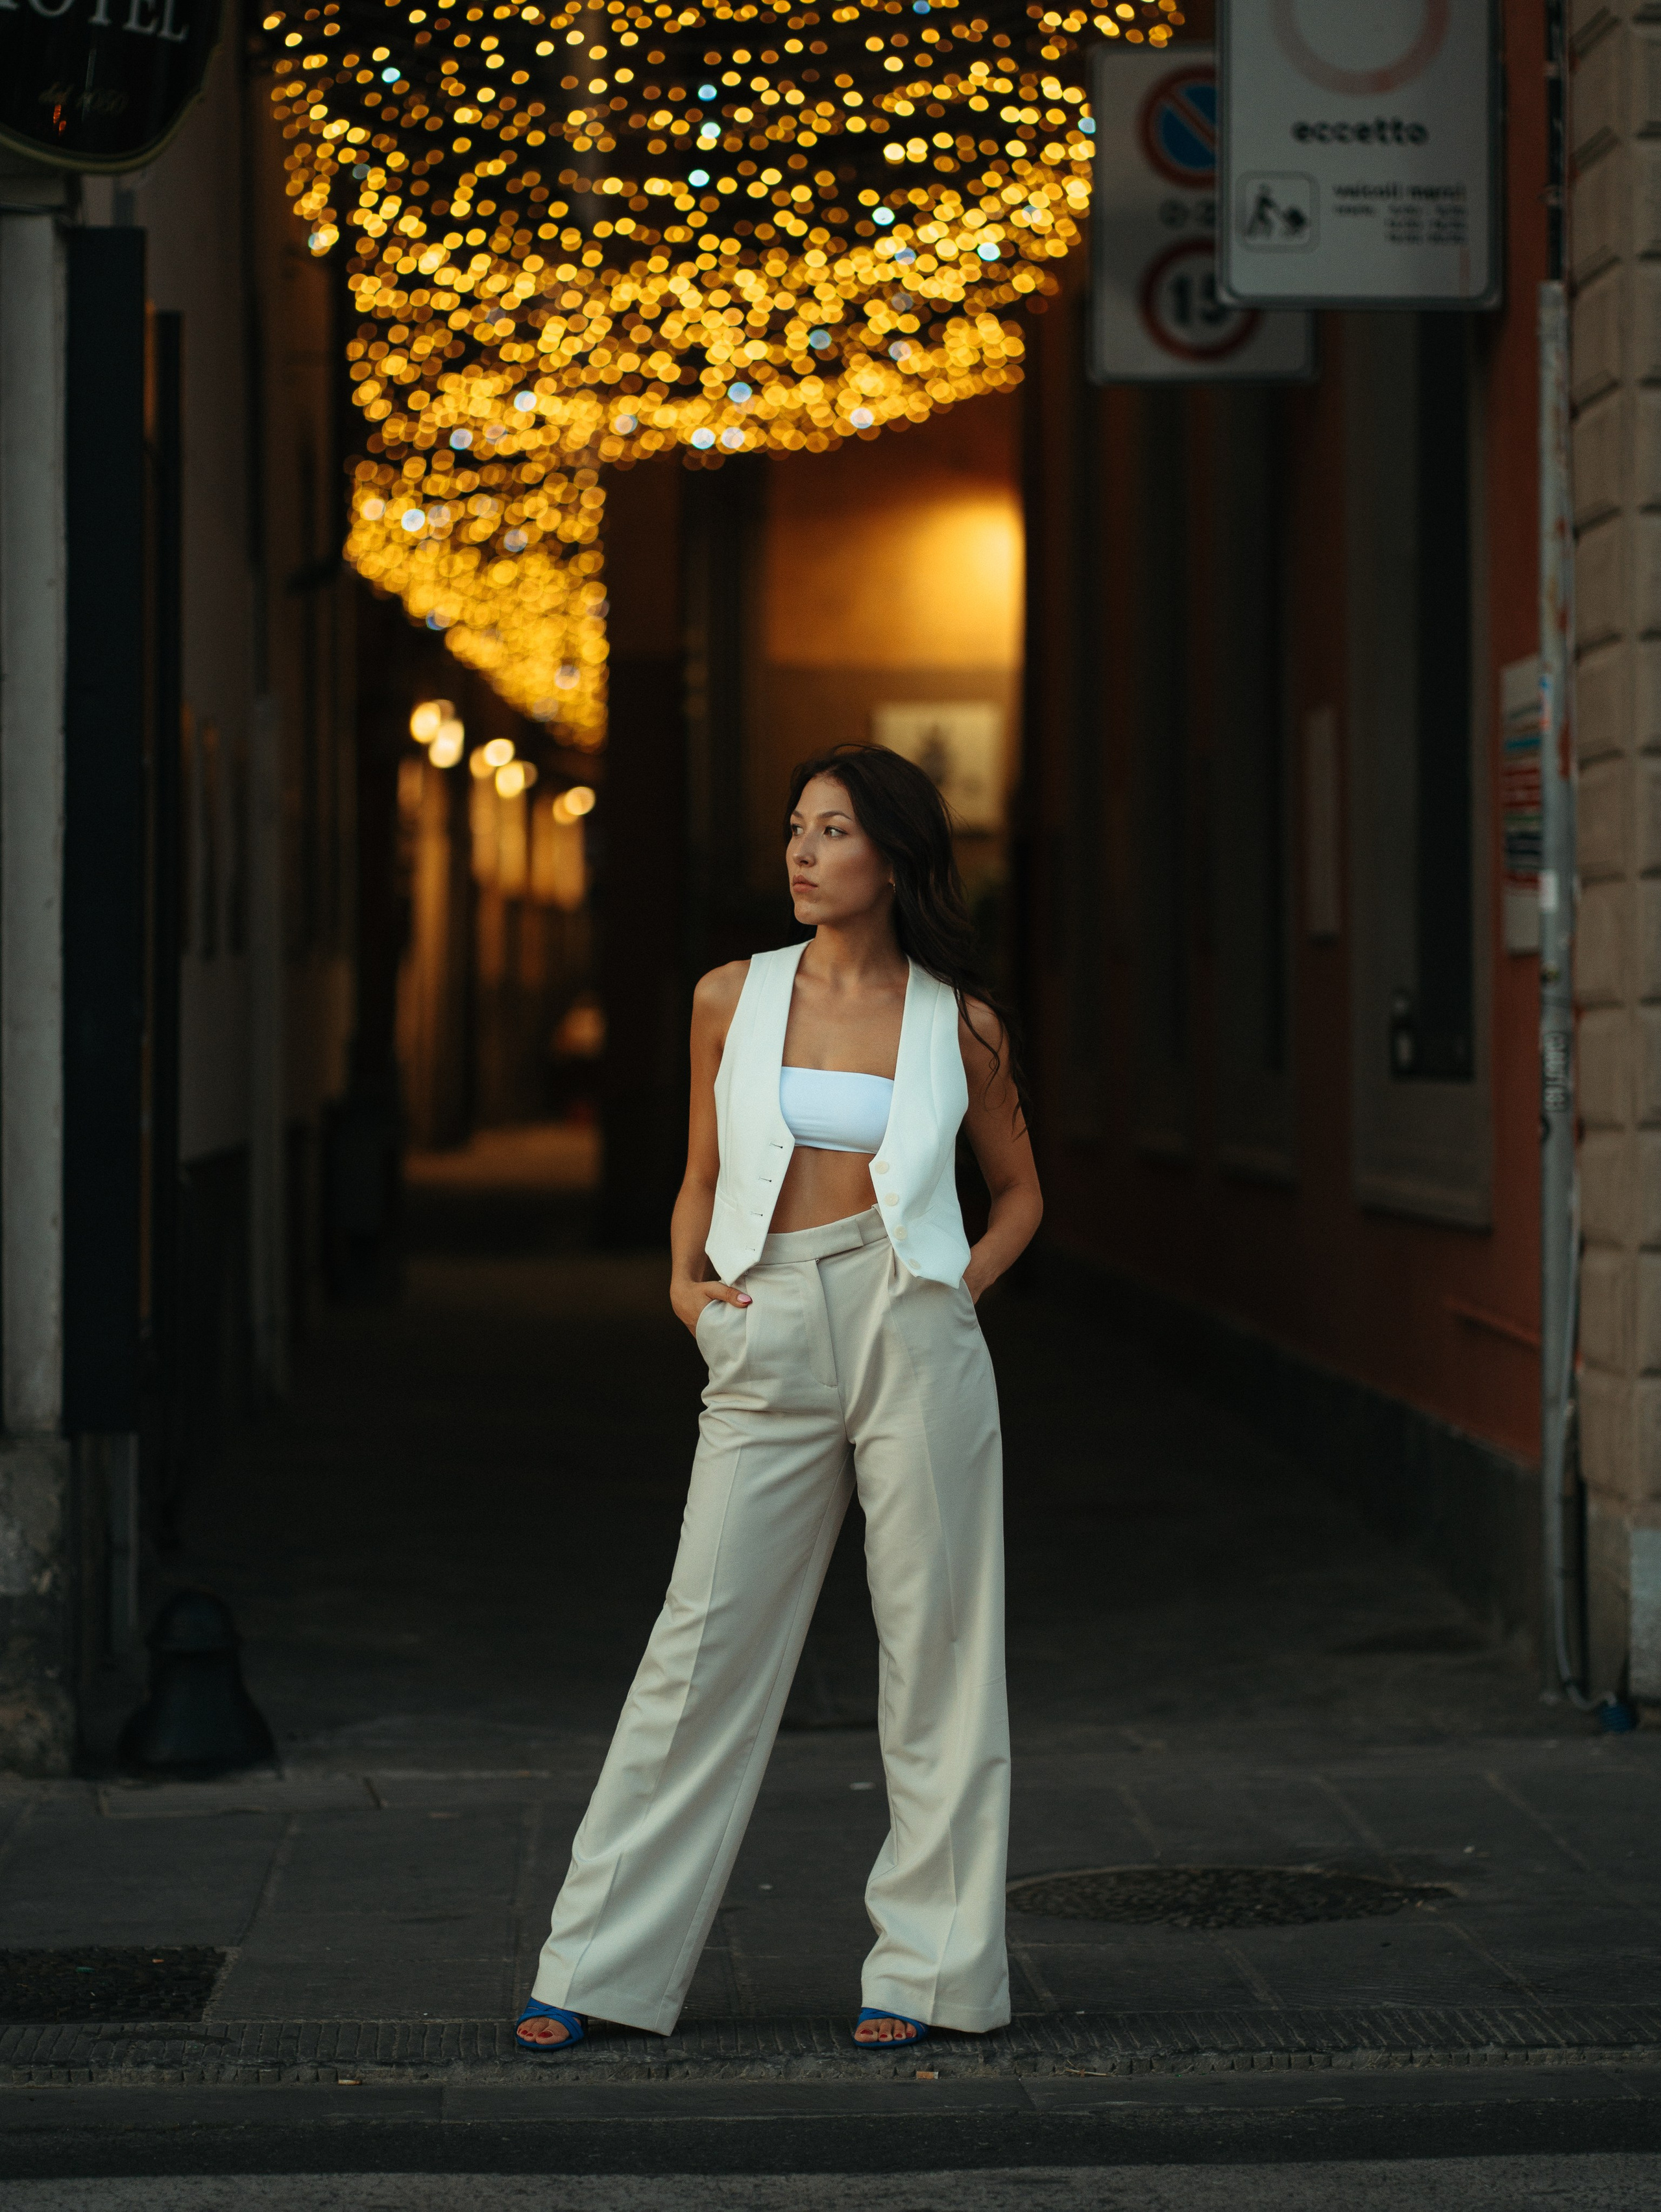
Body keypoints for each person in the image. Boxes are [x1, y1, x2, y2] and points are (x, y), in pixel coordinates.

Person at [515, 742, 1043, 2054]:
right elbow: (700, 1168)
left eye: (833, 832)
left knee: (939, 1651)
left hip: (912, 1316)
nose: (802, 854)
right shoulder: (727, 997)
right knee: (701, 1639)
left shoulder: (957, 1020)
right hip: (768, 1313)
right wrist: (686, 1290)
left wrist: (953, 1290)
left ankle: (927, 1973)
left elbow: (1023, 1191)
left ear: (895, 858)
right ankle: (596, 1965)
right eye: (793, 829)